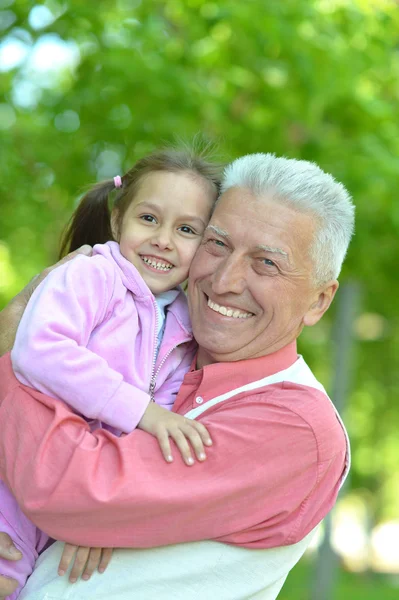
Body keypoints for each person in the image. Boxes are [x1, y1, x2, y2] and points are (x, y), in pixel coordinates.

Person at [0, 153, 354, 600]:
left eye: (266, 263)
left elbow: (73, 491)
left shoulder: (295, 425)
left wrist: (13, 348)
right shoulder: (161, 345)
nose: (224, 280)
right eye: (217, 244)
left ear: (319, 301)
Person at [0, 146, 221, 598]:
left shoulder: (184, 323)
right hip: (13, 476)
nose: (163, 239)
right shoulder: (92, 275)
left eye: (186, 229)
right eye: (149, 219)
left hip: (77, 490)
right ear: (118, 220)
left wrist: (104, 513)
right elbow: (40, 350)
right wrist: (143, 410)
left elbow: (160, 423)